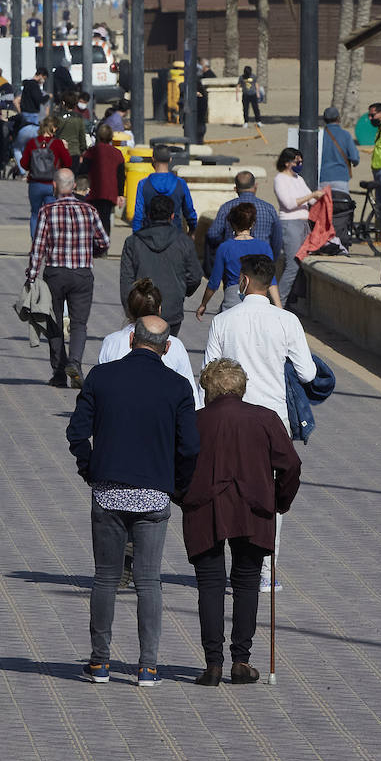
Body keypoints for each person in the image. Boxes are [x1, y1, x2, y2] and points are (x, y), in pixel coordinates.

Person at [66, 316, 201, 687]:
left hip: (108, 491)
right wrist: (178, 486)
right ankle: (148, 667)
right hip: (155, 495)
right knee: (148, 581)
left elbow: (76, 431)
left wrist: (89, 469)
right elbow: (190, 446)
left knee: (106, 578)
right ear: (167, 347)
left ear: (130, 340)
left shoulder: (102, 377)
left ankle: (100, 663)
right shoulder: (177, 387)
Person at [181, 358, 301, 686]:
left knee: (210, 583)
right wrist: (279, 501)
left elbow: (175, 466)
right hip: (253, 510)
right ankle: (241, 660)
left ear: (209, 389)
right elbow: (290, 464)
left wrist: (184, 497)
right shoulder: (265, 419)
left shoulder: (195, 421)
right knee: (247, 582)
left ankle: (213, 664)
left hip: (206, 509)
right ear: (241, 387)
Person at [204, 253, 315, 591]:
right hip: (272, 419)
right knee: (268, 492)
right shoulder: (286, 321)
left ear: (245, 281)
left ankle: (226, 566)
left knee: (224, 487)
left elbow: (207, 375)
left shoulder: (223, 320)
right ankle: (265, 571)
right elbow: (308, 372)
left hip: (228, 416)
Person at [26, 168, 110, 389]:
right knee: (79, 323)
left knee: (54, 323)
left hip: (54, 273)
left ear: (54, 186)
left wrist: (32, 276)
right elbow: (104, 242)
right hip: (82, 274)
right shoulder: (89, 210)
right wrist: (92, 252)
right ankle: (75, 363)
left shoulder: (47, 211)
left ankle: (59, 372)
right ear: (74, 186)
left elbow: (38, 248)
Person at [98, 278, 204, 408]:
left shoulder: (111, 342)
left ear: (129, 309)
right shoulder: (176, 345)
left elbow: (100, 389)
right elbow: (191, 399)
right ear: (159, 309)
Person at [118, 194, 201, 335]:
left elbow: (126, 279)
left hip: (141, 309)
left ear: (148, 215)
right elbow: (195, 276)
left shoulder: (133, 242)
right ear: (172, 216)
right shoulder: (184, 241)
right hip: (172, 310)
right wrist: (181, 291)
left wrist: (130, 308)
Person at [197, 202, 281, 316]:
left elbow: (214, 282)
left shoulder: (225, 247)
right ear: (252, 224)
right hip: (259, 299)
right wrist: (279, 306)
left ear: (233, 224)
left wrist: (203, 304)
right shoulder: (264, 247)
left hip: (233, 299)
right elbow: (271, 280)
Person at [272, 146, 328, 307]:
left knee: (303, 263)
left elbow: (311, 201)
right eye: (297, 161)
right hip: (290, 224)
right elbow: (289, 204)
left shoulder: (298, 178)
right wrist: (312, 195)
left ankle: (292, 299)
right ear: (287, 162)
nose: (300, 164)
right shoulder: (280, 179)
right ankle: (279, 302)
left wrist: (322, 197)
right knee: (292, 264)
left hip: (304, 224)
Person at [204, 172, 284, 275]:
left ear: (235, 189)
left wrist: (226, 240)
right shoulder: (269, 209)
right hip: (262, 264)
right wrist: (272, 260)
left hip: (234, 264)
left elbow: (212, 234)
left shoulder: (226, 208)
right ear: (255, 186)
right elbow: (277, 239)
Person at [19, 116, 73, 239]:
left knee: (34, 214)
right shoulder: (58, 143)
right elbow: (68, 162)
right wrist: (65, 149)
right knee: (51, 215)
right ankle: (50, 244)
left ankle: (35, 245)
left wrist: (32, 168)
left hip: (35, 184)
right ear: (53, 128)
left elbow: (23, 163)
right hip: (52, 185)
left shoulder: (32, 142)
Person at [130, 144, 197, 234]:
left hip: (149, 235)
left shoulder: (143, 184)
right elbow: (189, 211)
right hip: (175, 234)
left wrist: (136, 235)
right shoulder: (180, 183)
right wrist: (192, 229)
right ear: (170, 159)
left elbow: (138, 215)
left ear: (153, 159)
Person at [80, 122, 125, 233]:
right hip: (109, 192)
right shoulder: (117, 153)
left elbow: (83, 172)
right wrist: (120, 194)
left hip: (93, 191)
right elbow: (121, 176)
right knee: (105, 220)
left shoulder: (91, 152)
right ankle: (104, 244)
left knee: (91, 220)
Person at [319, 106, 359, 194]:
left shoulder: (319, 135)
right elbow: (354, 157)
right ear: (338, 118)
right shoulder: (345, 135)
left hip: (323, 178)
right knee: (341, 206)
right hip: (341, 178)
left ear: (324, 120)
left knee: (324, 207)